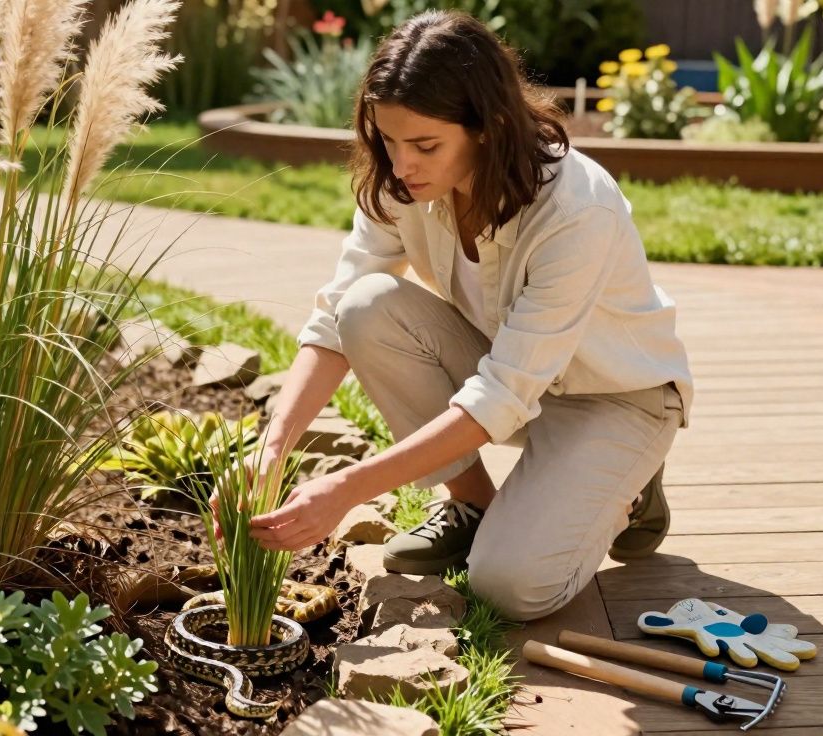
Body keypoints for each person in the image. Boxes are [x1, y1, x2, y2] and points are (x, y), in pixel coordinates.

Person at [240, 10, 694, 622]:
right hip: (511, 374)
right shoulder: (400, 183)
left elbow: (500, 396)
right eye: (389, 142)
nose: (401, 166)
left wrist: (346, 490)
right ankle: (474, 506)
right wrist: (273, 449)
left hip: (616, 396)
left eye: (426, 145)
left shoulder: (576, 210)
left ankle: (629, 481)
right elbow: (333, 319)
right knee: (365, 305)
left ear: (489, 126)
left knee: (511, 587)